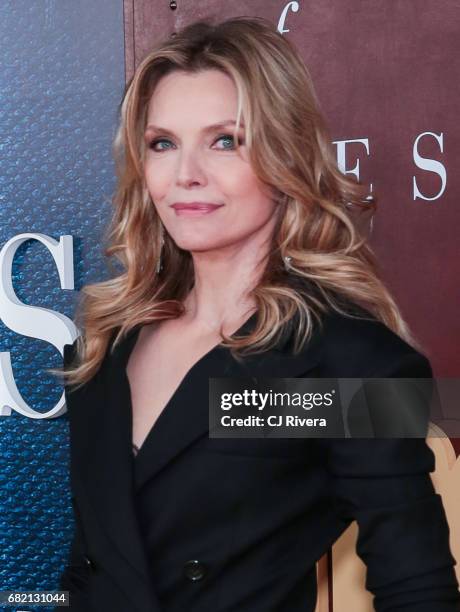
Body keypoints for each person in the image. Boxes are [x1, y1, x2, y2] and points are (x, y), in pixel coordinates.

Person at [56, 16, 460, 612]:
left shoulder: (349, 361)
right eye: (162, 143)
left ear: (284, 152)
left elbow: (417, 588)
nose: (186, 174)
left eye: (226, 140)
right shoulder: (109, 340)